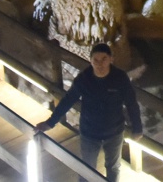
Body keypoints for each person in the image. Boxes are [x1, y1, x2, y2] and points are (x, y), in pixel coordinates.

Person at [35, 42, 144, 178]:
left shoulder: (120, 78)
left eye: (104, 59)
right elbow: (68, 100)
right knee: (86, 168)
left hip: (114, 132)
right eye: (96, 60)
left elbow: (131, 103)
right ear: (90, 61)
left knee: (113, 167)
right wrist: (50, 122)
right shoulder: (84, 79)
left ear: (111, 59)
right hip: (90, 132)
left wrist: (137, 127)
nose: (100, 64)